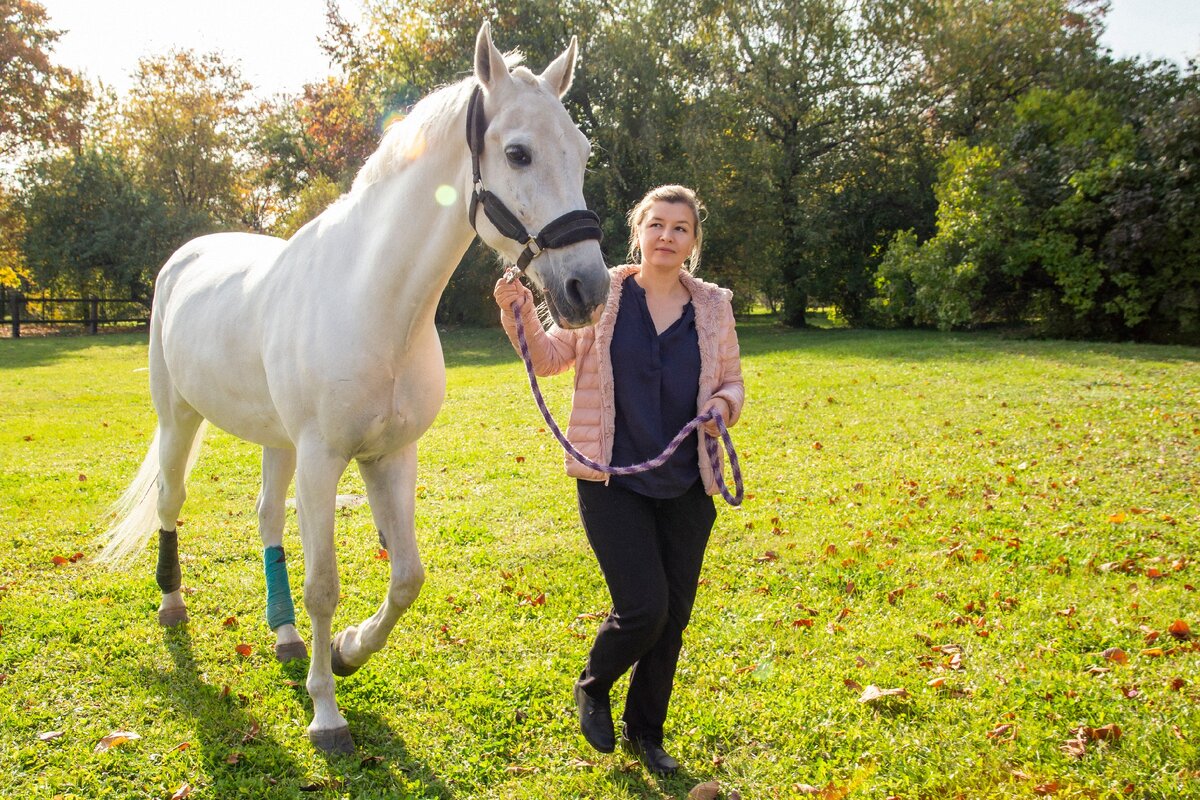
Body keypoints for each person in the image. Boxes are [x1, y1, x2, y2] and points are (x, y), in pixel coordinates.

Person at [494, 184, 744, 777]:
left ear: (693, 242)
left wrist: (722, 408)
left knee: (672, 618)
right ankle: (595, 684)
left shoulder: (712, 306)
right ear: (638, 231)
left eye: (680, 228)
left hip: (686, 483)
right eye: (656, 224)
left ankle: (646, 732)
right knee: (643, 607)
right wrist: (520, 309)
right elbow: (551, 356)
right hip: (612, 480)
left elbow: (731, 381)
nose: (667, 236)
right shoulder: (602, 294)